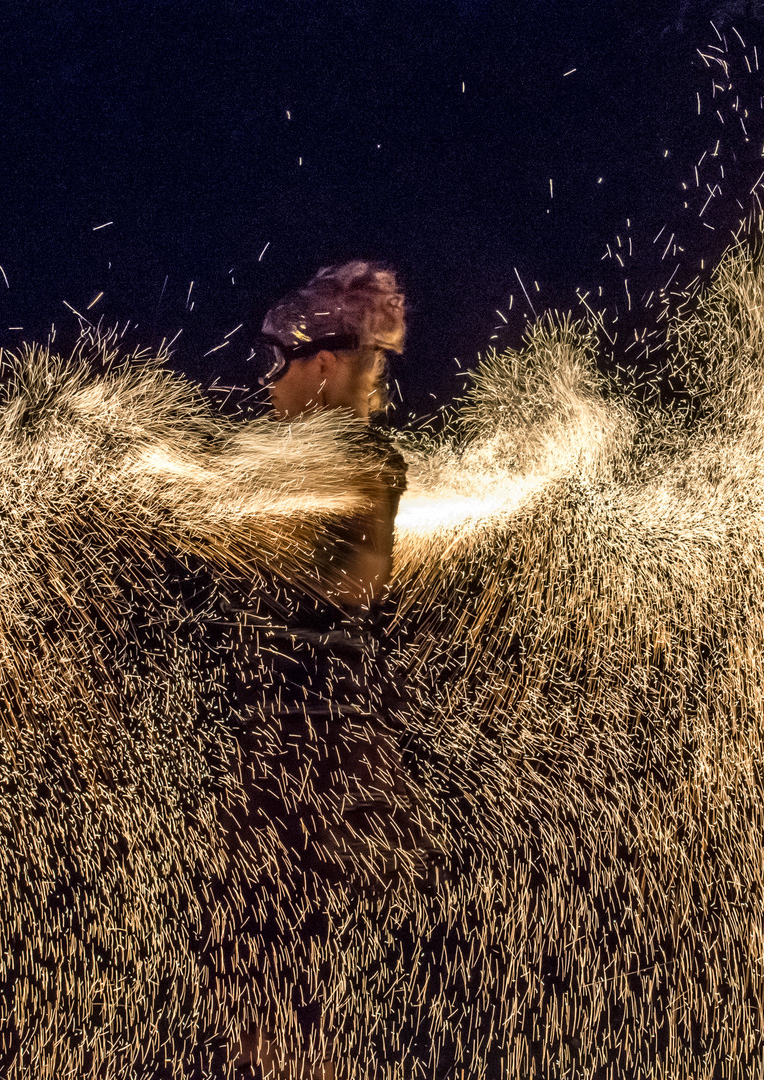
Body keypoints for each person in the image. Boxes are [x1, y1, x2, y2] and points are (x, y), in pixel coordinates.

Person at [215, 261, 434, 1078]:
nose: (270, 382)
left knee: (272, 960)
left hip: (307, 747)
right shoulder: (326, 455)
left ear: (323, 363)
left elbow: (361, 580)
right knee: (269, 962)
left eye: (281, 363)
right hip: (298, 743)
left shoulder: (351, 454)